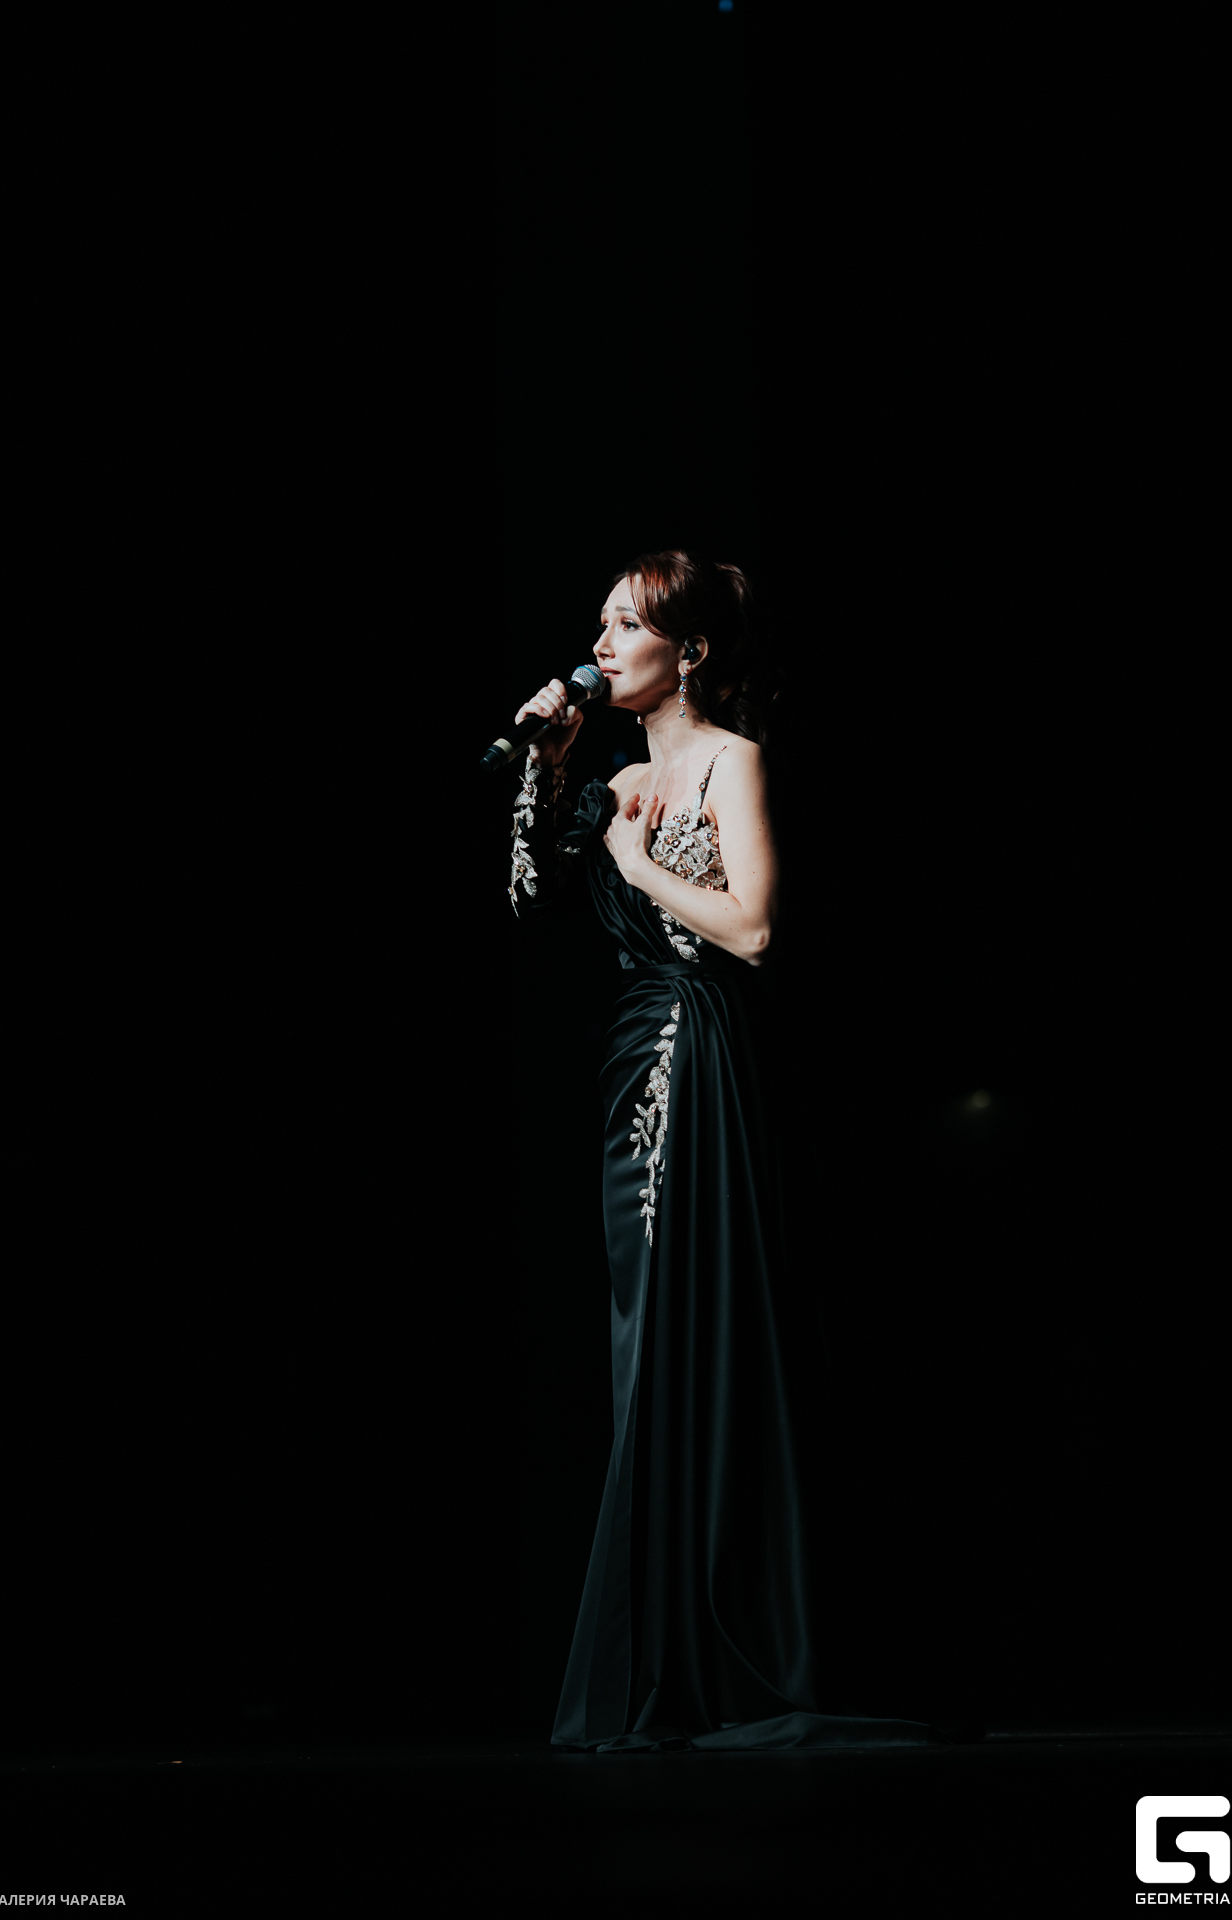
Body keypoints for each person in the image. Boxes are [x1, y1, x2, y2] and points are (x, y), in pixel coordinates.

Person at [508, 550, 926, 1752]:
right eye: (595, 624)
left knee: (684, 1330)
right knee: (643, 1335)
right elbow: (529, 904)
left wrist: (640, 863)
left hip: (697, 1048)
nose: (598, 646)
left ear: (687, 652)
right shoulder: (610, 779)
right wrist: (542, 768)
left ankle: (699, 1650)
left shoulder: (729, 762)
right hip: (631, 1056)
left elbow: (752, 929)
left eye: (624, 625)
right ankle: (660, 1645)